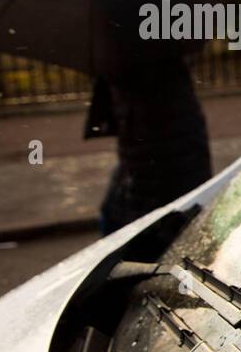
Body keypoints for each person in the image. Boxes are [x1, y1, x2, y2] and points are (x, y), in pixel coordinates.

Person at [85, 57, 213, 235]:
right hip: (155, 170)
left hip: (160, 174)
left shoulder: (142, 68)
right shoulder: (141, 63)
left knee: (120, 235)